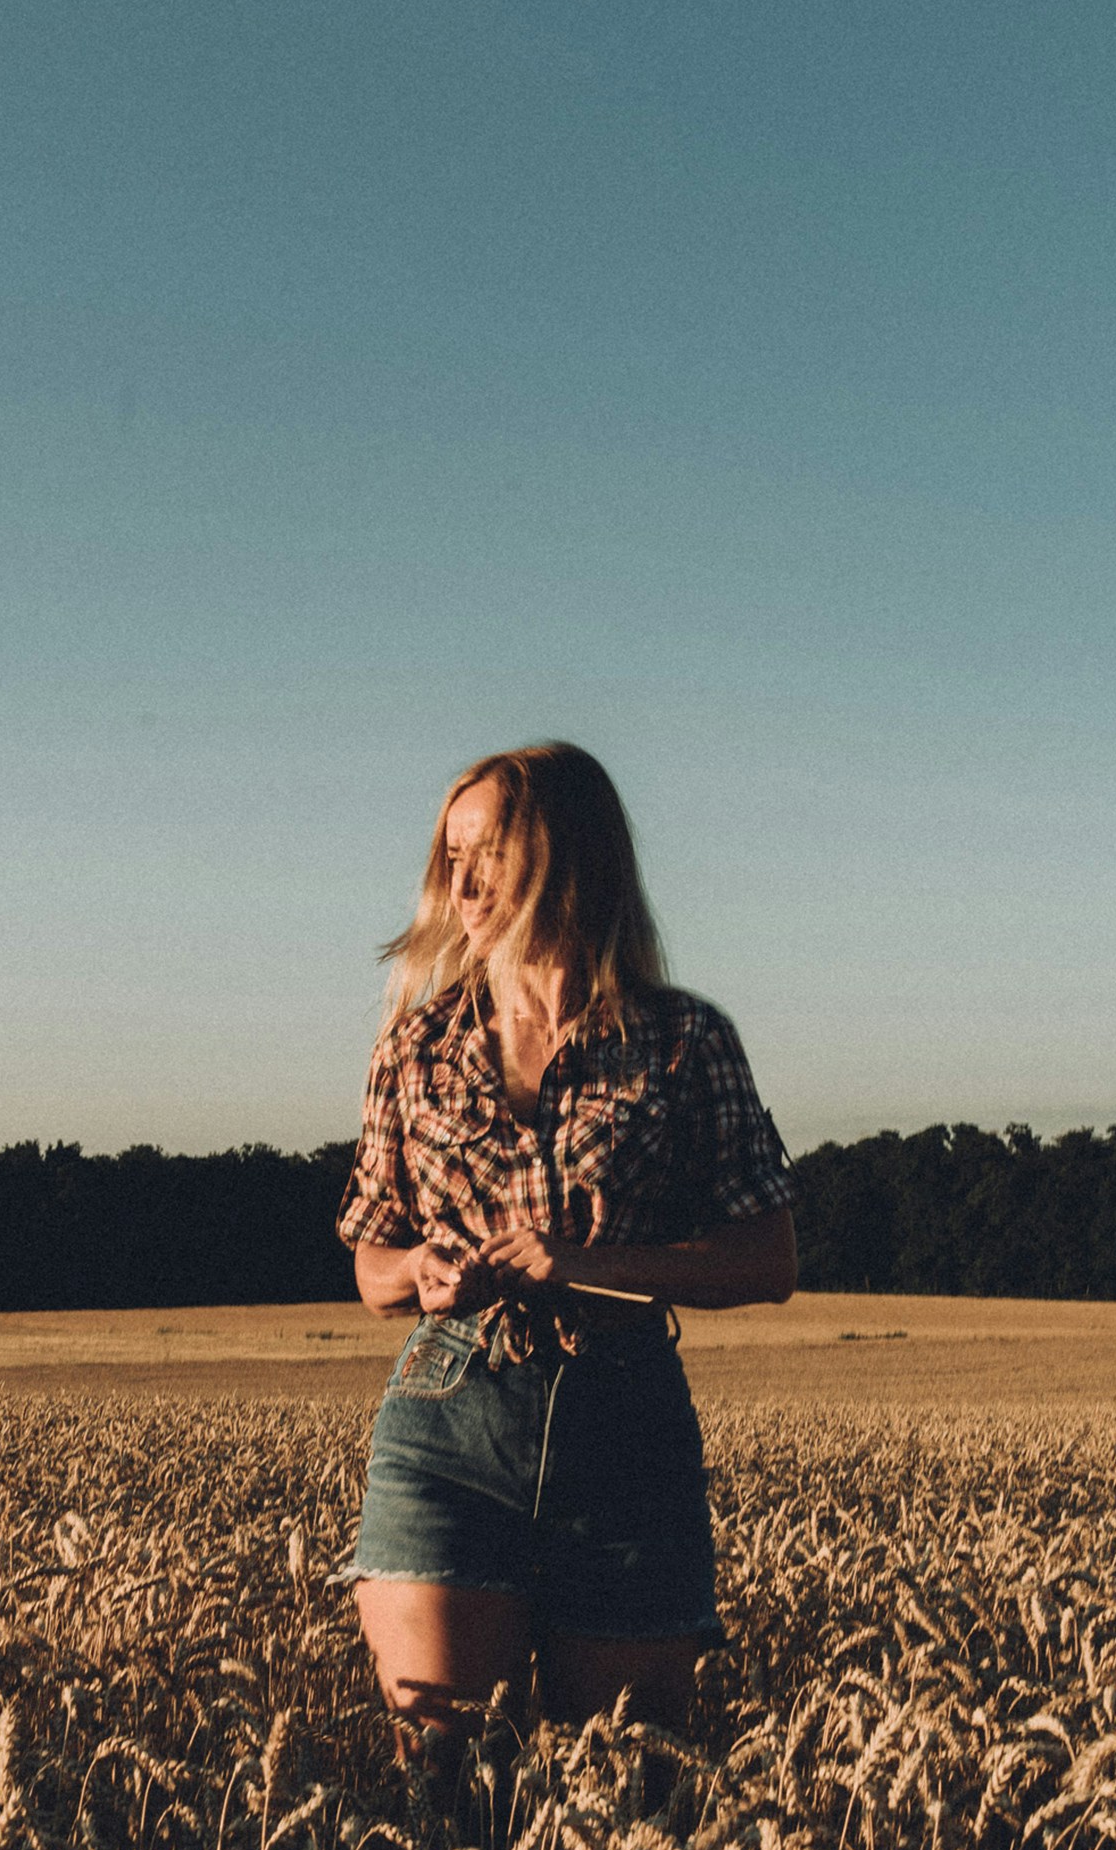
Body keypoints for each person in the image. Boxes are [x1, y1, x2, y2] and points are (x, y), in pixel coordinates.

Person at [336, 742, 796, 1758]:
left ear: (568, 857)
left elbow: (764, 1259)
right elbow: (373, 1263)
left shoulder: (682, 1042)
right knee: (446, 1787)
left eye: (489, 852)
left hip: (623, 1426)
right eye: (448, 855)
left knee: (629, 1791)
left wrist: (583, 1266)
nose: (460, 883)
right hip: (444, 1422)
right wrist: (419, 1275)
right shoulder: (411, 1048)